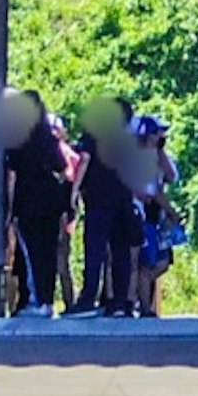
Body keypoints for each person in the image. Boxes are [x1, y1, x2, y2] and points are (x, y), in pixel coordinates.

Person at [2, 89, 72, 319]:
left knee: (29, 252)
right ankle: (47, 301)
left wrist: (9, 210)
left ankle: (33, 299)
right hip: (50, 201)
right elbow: (62, 168)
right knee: (48, 252)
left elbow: (11, 175)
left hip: (28, 199)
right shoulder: (47, 138)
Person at [73, 100, 137, 317]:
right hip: (123, 199)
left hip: (99, 199)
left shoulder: (95, 133)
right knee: (121, 251)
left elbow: (84, 160)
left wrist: (75, 190)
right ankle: (119, 301)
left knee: (95, 250)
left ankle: (88, 299)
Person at [127, 114, 178, 318]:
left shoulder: (159, 157)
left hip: (157, 215)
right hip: (141, 213)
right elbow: (144, 191)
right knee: (145, 262)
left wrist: (159, 152)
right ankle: (142, 305)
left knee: (162, 261)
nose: (161, 137)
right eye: (157, 133)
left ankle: (142, 296)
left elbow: (171, 176)